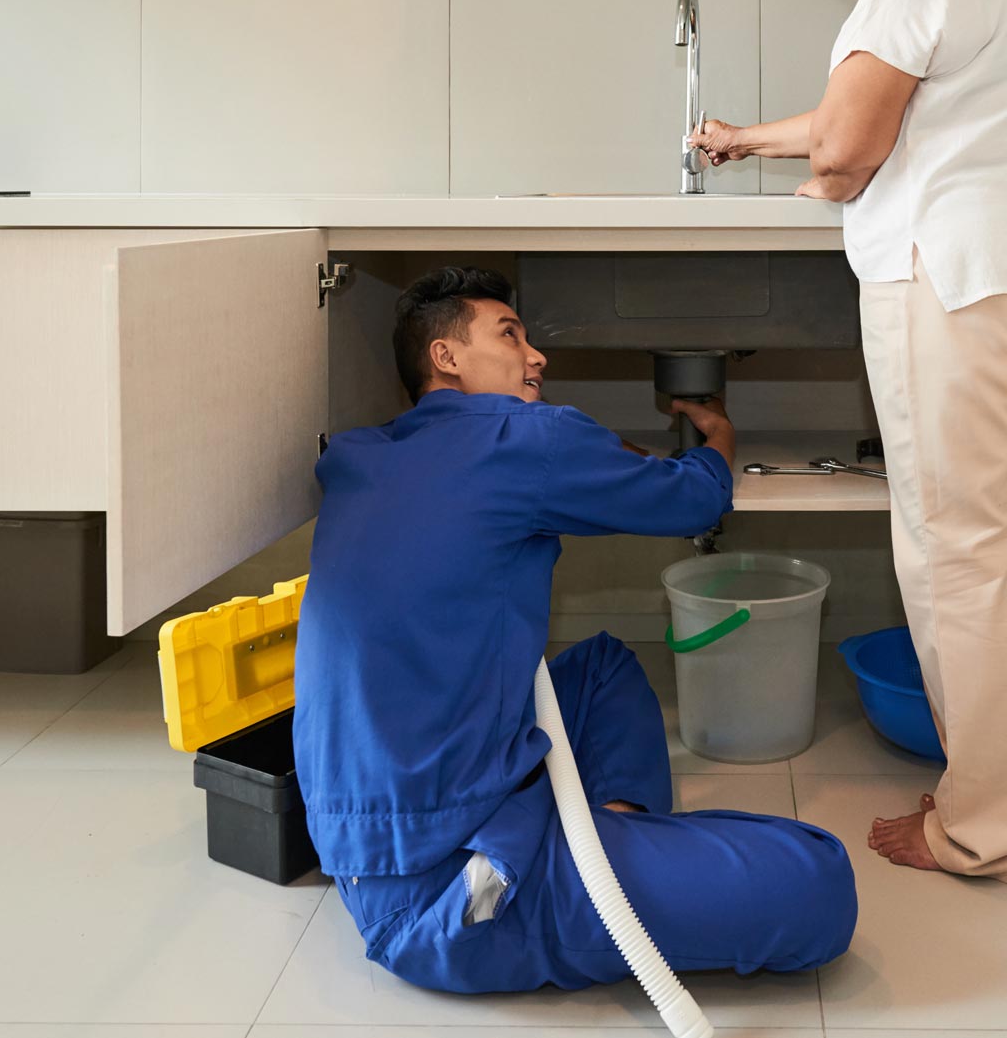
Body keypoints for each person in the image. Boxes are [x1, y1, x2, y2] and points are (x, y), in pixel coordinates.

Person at [691, 0, 1007, 891]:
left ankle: (992, 830)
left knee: (953, 562)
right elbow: (853, 124)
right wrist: (746, 140)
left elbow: (848, 150)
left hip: (955, 296)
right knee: (978, 551)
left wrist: (820, 174)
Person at [292, 266, 857, 994]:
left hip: (369, 845)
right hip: (456, 895)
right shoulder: (524, 438)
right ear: (446, 357)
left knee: (604, 668)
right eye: (509, 334)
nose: (538, 356)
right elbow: (691, 498)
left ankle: (603, 850)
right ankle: (595, 881)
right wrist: (718, 437)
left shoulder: (360, 454)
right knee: (820, 880)